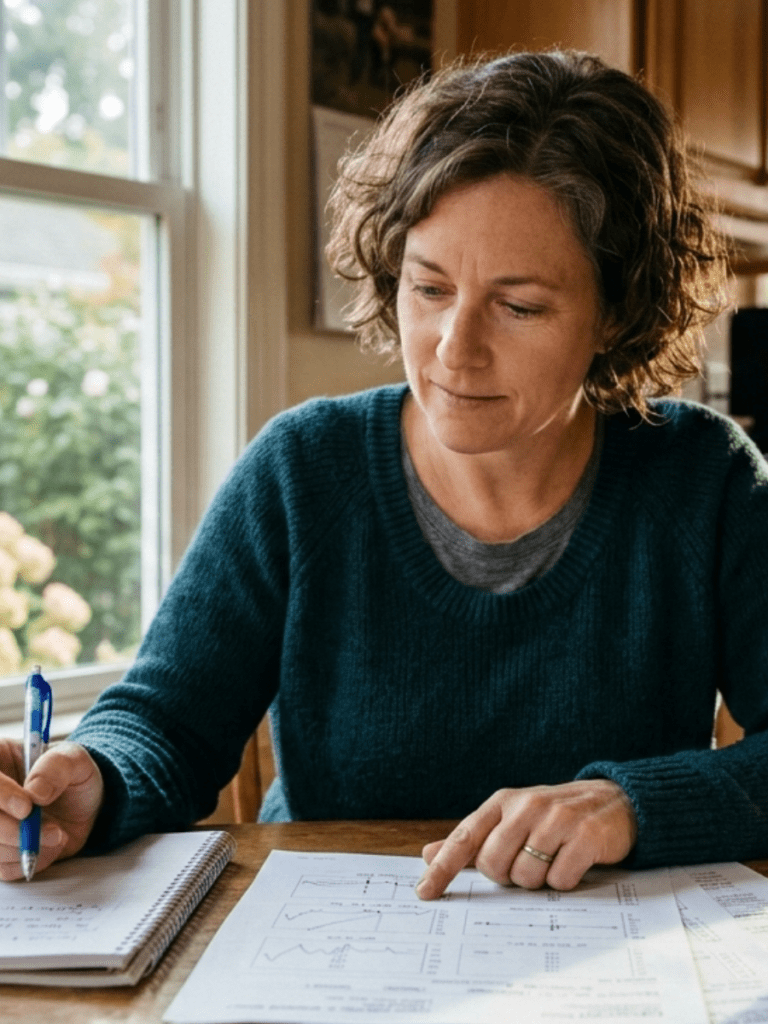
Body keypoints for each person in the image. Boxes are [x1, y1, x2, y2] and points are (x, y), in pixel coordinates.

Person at [1, 50, 767, 897]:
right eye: (429, 287)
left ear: (616, 310)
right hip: (316, 953)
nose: (453, 348)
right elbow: (165, 723)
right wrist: (92, 777)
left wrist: (633, 804)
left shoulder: (707, 482)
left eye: (518, 307)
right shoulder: (301, 471)